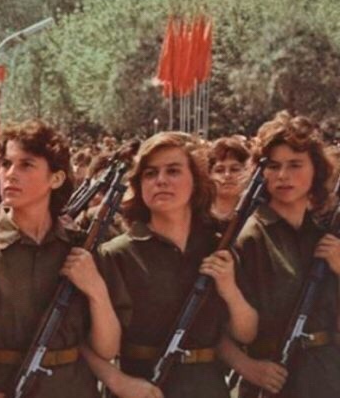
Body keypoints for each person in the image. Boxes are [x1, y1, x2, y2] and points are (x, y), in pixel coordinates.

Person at [0, 119, 121, 397]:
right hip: (2, 385)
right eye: (6, 164)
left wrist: (96, 290)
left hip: (72, 388)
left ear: (56, 179)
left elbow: (108, 348)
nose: (10, 174)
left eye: (26, 165)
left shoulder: (82, 248)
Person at [94, 132, 258, 398]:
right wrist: (119, 382)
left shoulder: (218, 247)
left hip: (208, 387)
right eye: (150, 173)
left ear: (196, 180)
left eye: (173, 171)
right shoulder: (117, 254)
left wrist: (229, 288)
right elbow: (89, 342)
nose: (161, 180)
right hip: (144, 387)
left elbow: (246, 333)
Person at [222, 111, 340, 398]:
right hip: (272, 378)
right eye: (273, 166)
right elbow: (209, 325)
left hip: (325, 376)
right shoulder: (247, 237)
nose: (283, 175)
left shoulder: (324, 235)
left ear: (316, 170)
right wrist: (246, 366)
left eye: (295, 165)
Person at [208, 136, 251, 222]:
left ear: (247, 172)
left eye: (234, 169)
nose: (227, 175)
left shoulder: (254, 213)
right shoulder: (196, 213)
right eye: (219, 170)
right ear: (209, 174)